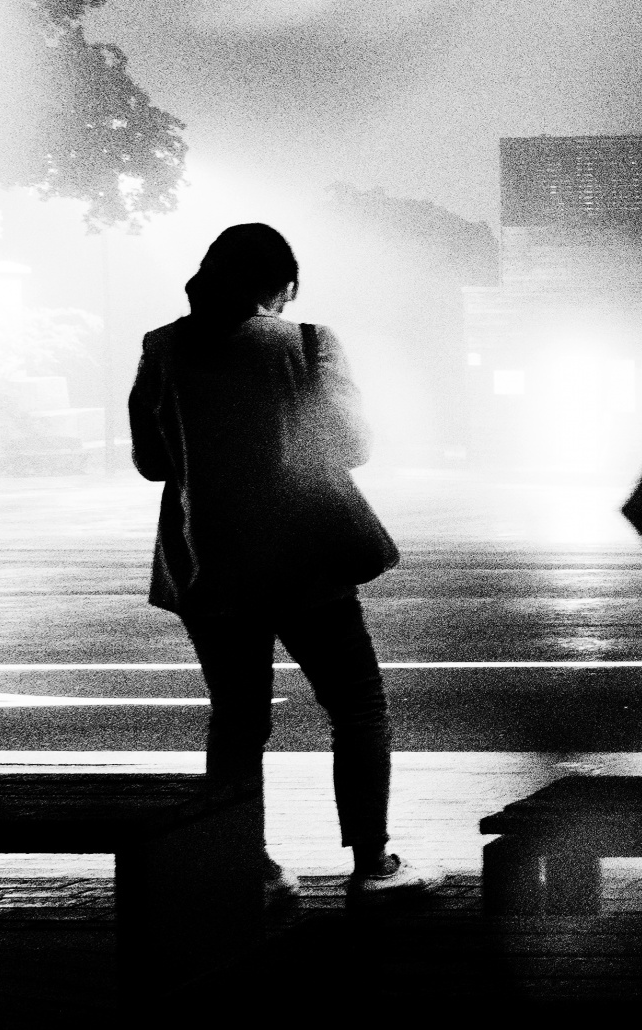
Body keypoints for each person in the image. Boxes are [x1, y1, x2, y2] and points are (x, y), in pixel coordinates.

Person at [128, 223, 436, 907]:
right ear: (283, 286)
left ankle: (248, 866)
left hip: (209, 564)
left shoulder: (164, 346)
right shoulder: (309, 343)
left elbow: (151, 461)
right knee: (355, 706)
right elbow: (352, 445)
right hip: (307, 560)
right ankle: (372, 863)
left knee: (238, 718)